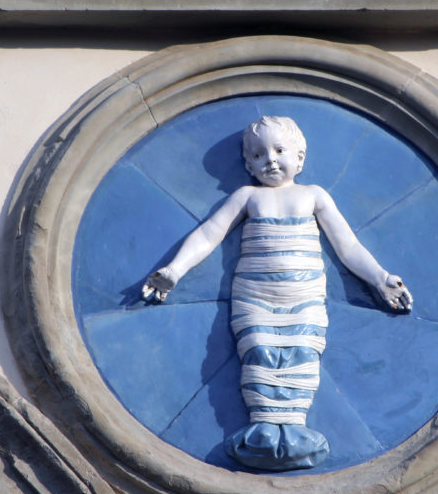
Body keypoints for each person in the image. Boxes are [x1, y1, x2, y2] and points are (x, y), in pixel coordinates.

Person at [143, 116, 412, 470]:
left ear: (300, 157)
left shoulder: (314, 196)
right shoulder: (248, 197)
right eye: (257, 154)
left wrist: (380, 278)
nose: (269, 159)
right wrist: (174, 270)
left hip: (303, 295)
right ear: (248, 164)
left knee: (303, 352)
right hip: (256, 295)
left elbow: (347, 247)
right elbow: (210, 234)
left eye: (279, 150)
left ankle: (296, 432)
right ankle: (262, 431)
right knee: (259, 352)